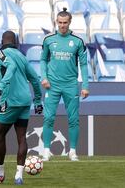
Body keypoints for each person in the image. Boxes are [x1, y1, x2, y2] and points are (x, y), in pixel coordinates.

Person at [0, 30, 43, 185]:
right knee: (21, 137)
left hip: (10, 100)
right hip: (25, 101)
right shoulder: (22, 56)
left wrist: (1, 86)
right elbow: (35, 78)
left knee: (0, 135)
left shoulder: (0, 53)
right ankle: (19, 176)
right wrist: (38, 101)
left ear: (2, 41)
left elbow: (11, 66)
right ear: (15, 42)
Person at [40, 8, 89, 162]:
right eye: (60, 23)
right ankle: (46, 151)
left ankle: (72, 152)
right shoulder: (48, 40)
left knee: (73, 119)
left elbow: (84, 65)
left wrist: (85, 86)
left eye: (65, 23)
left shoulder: (78, 41)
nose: (62, 26)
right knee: (48, 117)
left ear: (69, 22)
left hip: (71, 85)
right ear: (56, 22)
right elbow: (42, 60)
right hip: (52, 85)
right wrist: (44, 77)